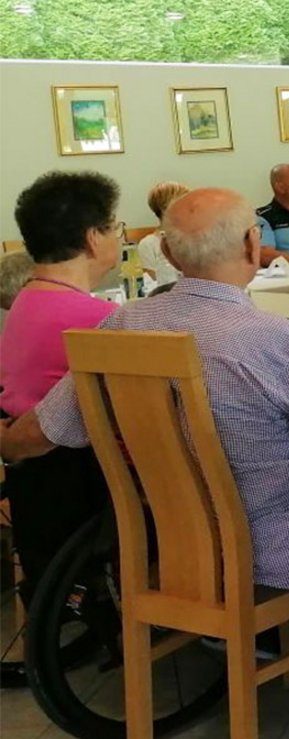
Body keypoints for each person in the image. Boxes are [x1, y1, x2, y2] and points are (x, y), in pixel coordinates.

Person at [1, 187, 289, 594]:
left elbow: (48, 427)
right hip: (278, 553)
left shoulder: (119, 328)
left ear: (166, 253)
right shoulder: (277, 338)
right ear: (253, 244)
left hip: (171, 546)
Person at [0, 172, 122, 640]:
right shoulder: (99, 321)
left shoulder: (27, 301)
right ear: (93, 238)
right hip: (81, 477)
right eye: (115, 226)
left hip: (35, 480)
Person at [136, 181, 190, 286]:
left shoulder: (192, 239)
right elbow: (152, 285)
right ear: (164, 208)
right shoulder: (148, 244)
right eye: (181, 203)